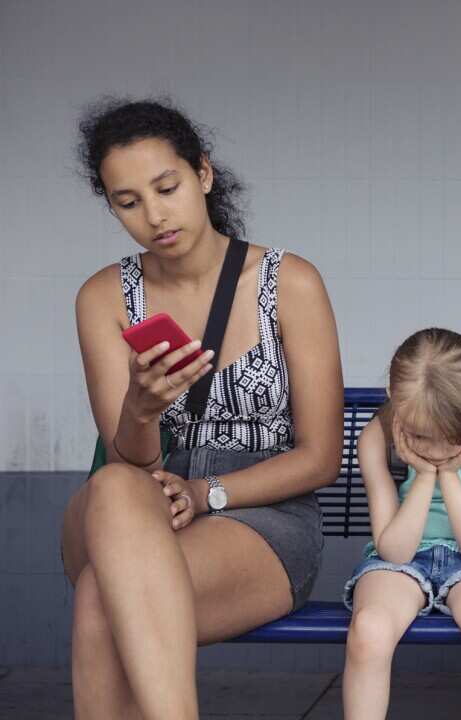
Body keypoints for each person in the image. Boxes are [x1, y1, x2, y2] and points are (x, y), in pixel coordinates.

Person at [63, 97, 343, 719]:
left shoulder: (289, 283)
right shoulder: (104, 297)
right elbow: (130, 465)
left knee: (100, 600)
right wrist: (140, 410)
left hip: (261, 516)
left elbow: (322, 458)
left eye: (167, 188)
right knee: (114, 486)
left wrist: (205, 492)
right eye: (128, 202)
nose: (154, 215)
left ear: (204, 174)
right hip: (137, 504)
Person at [342, 328, 461, 719]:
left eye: (453, 438)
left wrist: (450, 474)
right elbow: (394, 551)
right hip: (401, 559)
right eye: (420, 436)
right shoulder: (377, 437)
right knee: (369, 627)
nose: (436, 450)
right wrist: (425, 476)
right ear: (394, 399)